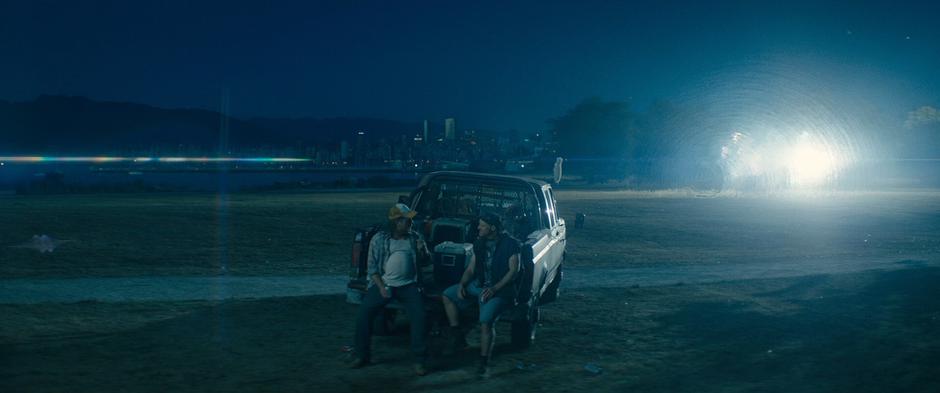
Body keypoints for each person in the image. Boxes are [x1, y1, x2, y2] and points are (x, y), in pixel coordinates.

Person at [349, 203, 431, 376]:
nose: (410, 223)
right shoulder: (379, 239)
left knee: (420, 317)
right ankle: (361, 355)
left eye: (410, 220)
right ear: (396, 222)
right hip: (384, 283)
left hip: (409, 285)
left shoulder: (414, 237)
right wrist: (382, 287)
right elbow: (372, 269)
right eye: (406, 220)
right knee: (364, 314)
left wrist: (421, 250)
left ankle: (419, 360)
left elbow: (426, 262)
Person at [441, 213, 520, 377]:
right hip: (478, 286)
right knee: (447, 295)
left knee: (485, 322)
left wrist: (494, 289)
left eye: (482, 225)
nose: (478, 228)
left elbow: (514, 271)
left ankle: (484, 361)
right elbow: (471, 269)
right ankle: (457, 336)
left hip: (500, 290)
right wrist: (462, 284)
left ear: (492, 228)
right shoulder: (479, 243)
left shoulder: (511, 244)